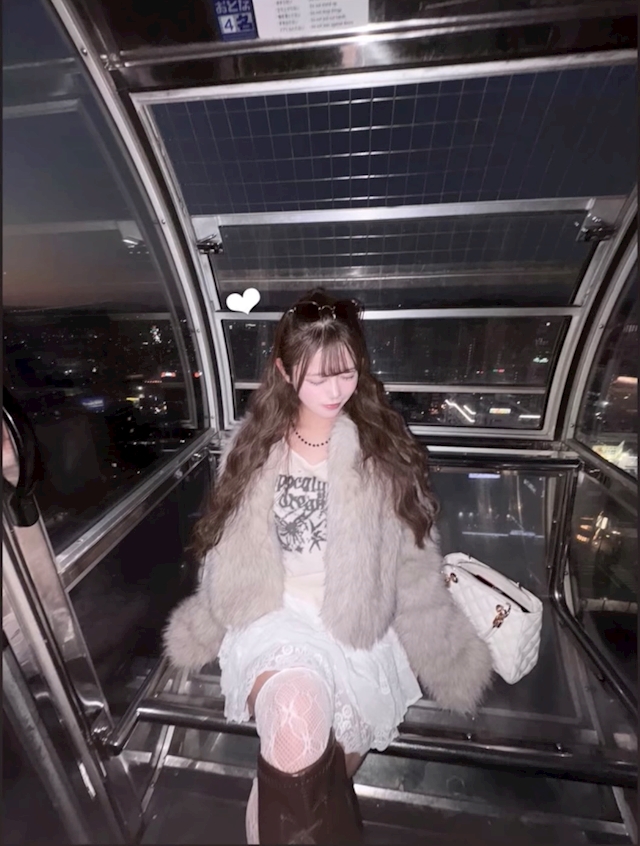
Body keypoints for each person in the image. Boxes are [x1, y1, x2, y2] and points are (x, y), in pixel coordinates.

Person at [164, 288, 493, 844]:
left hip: (356, 622)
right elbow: (224, 548)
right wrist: (210, 616)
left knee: (313, 789)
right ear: (283, 371)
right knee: (296, 730)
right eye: (319, 377)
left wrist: (445, 651)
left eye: (346, 373)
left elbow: (412, 562)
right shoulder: (252, 447)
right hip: (275, 614)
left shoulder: (381, 451)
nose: (336, 391)